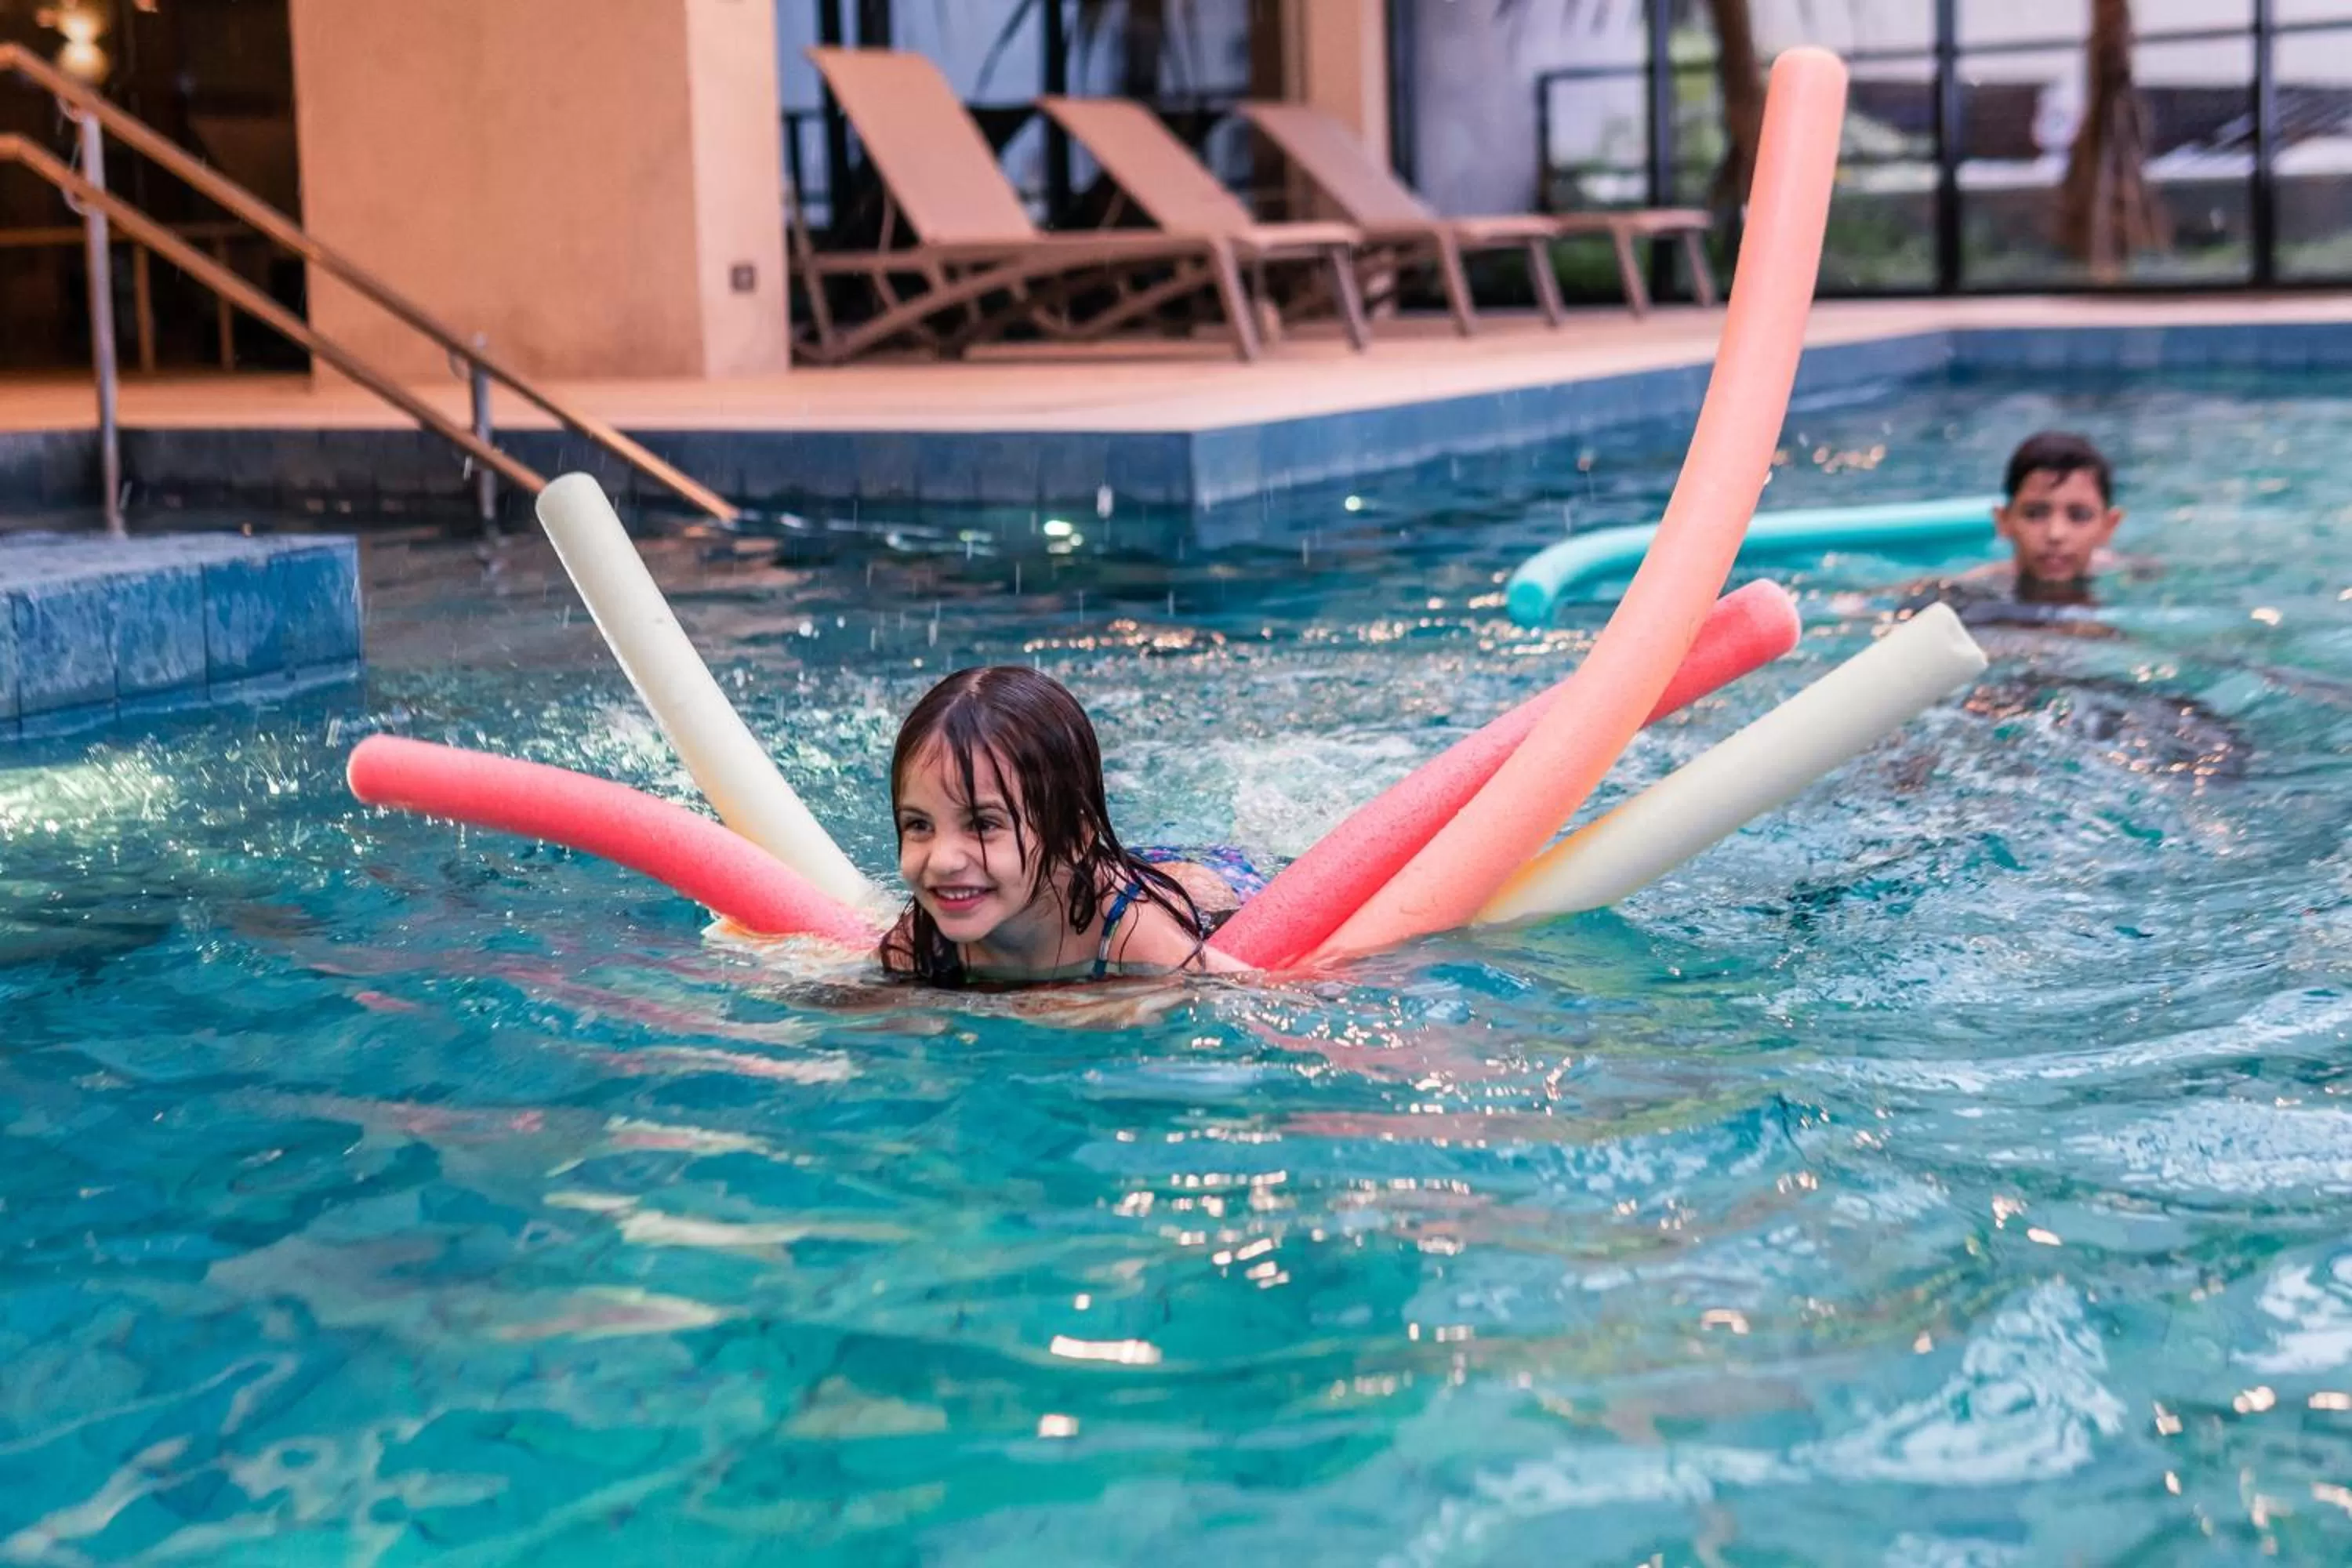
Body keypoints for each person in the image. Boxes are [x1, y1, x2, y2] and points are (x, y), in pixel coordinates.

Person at [879, 665, 1257, 985]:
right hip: (1082, 870)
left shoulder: (1136, 936)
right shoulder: (919, 943)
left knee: (1201, 893)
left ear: (1074, 834)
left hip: (1210, 885)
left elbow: (1264, 989)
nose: (942, 861)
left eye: (982, 824)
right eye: (919, 824)